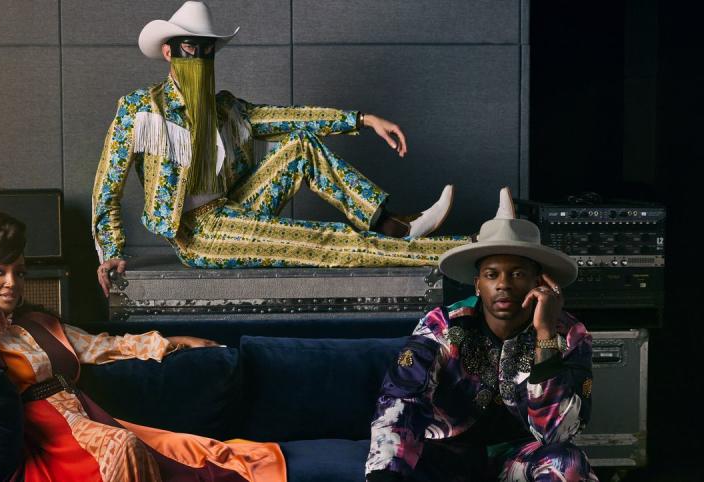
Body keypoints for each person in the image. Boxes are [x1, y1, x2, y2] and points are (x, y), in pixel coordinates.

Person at [92, 0, 469, 293]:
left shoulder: (226, 108)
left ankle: (390, 225)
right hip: (197, 233)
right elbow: (107, 190)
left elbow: (290, 117)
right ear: (169, 52)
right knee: (319, 241)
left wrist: (362, 119)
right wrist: (111, 251)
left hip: (234, 206)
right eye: (191, 48)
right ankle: (466, 247)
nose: (200, 58)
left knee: (301, 145)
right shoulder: (141, 110)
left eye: (207, 50)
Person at [0, 211, 286, 482]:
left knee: (189, 450)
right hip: (44, 437)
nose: (11, 283)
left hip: (85, 416)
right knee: (122, 449)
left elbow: (103, 346)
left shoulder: (38, 323)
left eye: (19, 272)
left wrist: (169, 341)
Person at [364, 189, 598, 482]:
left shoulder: (571, 334)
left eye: (517, 274)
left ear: (539, 282)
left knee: (568, 462)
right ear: (477, 285)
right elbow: (402, 401)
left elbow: (557, 433)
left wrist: (546, 333)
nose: (503, 285)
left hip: (516, 460)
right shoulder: (443, 325)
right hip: (443, 457)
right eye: (492, 274)